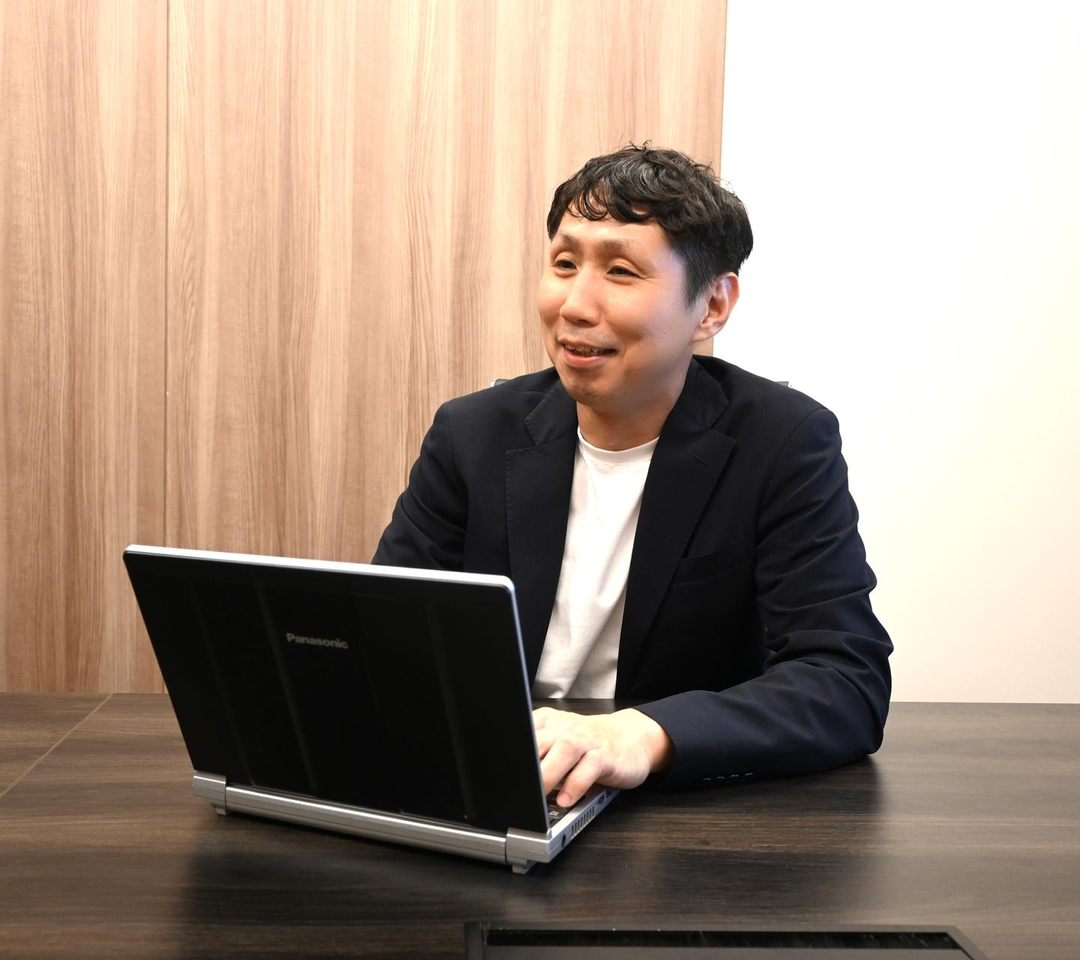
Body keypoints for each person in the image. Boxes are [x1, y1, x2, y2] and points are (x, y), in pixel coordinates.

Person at [373, 144, 891, 809]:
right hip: (499, 786)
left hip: (677, 813)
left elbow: (844, 682)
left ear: (712, 305)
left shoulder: (782, 442)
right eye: (564, 264)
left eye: (620, 271)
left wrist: (643, 735)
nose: (574, 305)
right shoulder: (471, 434)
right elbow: (386, 643)